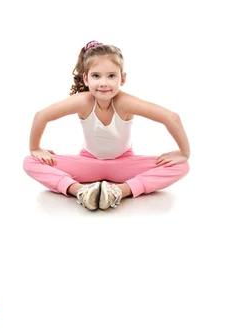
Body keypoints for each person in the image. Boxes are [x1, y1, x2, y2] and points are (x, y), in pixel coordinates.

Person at [23, 41, 190, 210]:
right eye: (96, 76)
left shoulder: (126, 103)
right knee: (30, 161)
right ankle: (81, 191)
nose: (104, 83)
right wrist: (35, 148)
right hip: (87, 164)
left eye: (111, 76)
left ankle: (119, 191)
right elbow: (41, 116)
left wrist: (184, 153)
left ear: (122, 78)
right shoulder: (83, 101)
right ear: (86, 79)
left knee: (181, 166)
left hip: (124, 164)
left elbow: (171, 118)